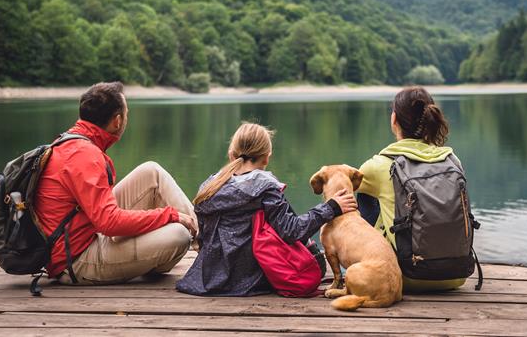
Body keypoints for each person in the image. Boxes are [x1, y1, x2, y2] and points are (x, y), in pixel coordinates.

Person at [36, 81, 198, 285]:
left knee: (152, 172)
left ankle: (206, 242)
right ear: (118, 121)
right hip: (76, 261)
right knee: (178, 235)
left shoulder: (71, 141)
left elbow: (102, 218)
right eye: (127, 114)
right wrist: (169, 215)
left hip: (86, 232)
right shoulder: (85, 155)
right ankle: (203, 242)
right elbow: (109, 223)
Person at [176, 122, 357, 296]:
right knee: (312, 256)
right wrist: (330, 207)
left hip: (207, 277)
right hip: (251, 279)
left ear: (232, 155)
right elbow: (292, 231)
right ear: (267, 157)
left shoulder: (209, 186)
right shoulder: (265, 187)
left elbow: (203, 237)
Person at [356, 86, 467, 292]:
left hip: (403, 276)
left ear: (394, 119)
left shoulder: (378, 165)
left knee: (364, 195)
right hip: (457, 274)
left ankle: (361, 266)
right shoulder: (453, 160)